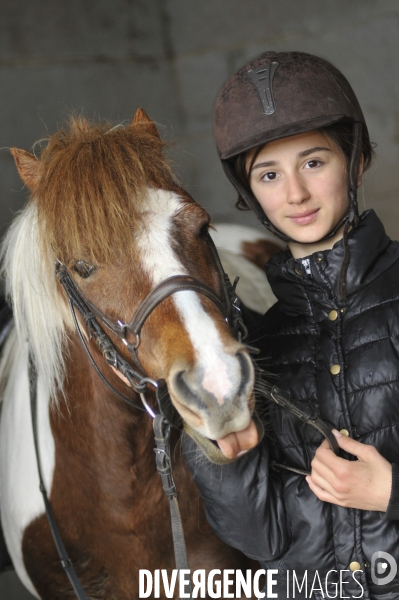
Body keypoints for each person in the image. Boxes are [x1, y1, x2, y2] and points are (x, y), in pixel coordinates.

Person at [183, 51, 399, 599]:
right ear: (249, 191)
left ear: (357, 158)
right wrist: (223, 451)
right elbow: (259, 536)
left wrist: (389, 491)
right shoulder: (260, 349)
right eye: (269, 174)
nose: (294, 194)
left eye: (314, 162)